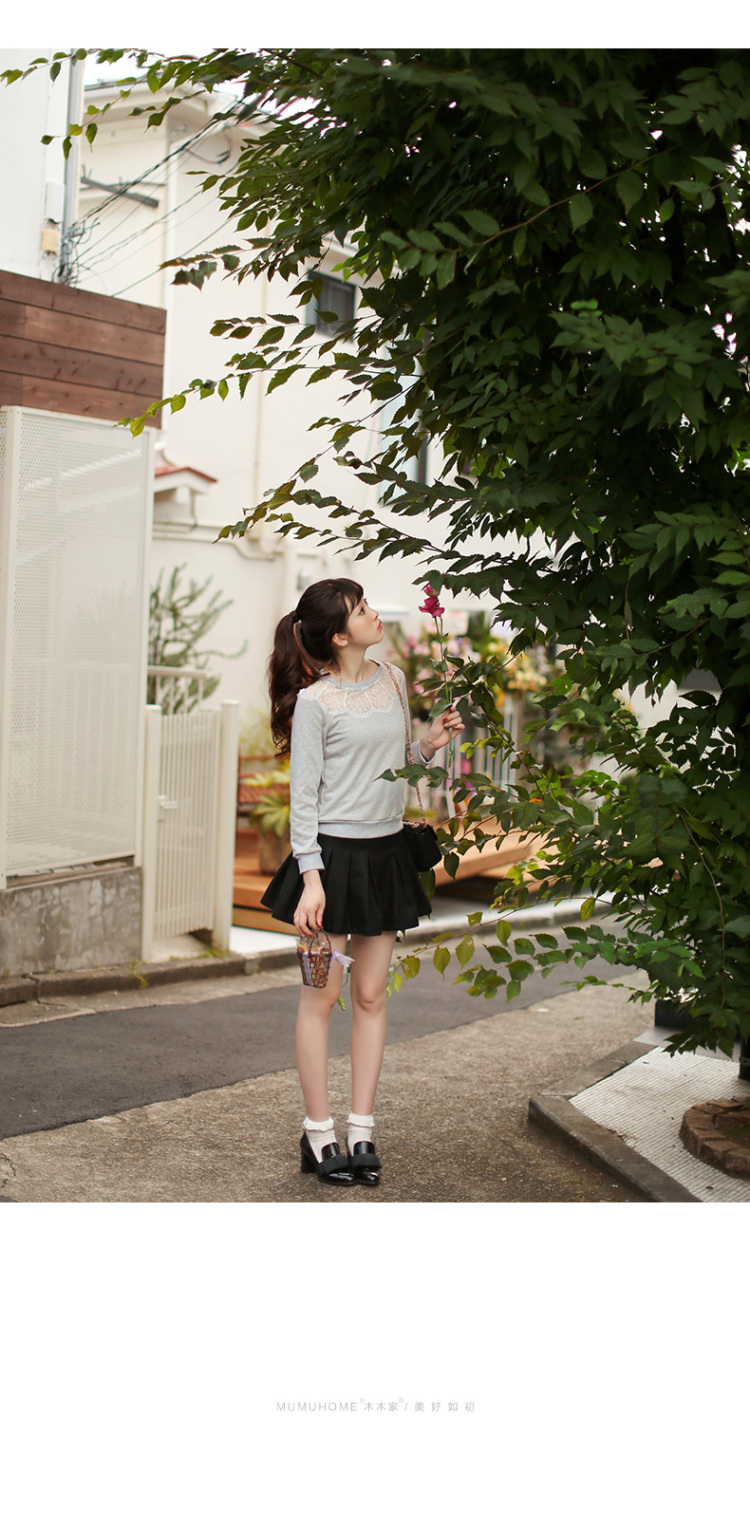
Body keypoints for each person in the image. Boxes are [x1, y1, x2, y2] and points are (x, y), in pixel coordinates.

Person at [261, 577, 464, 1188]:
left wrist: (427, 747)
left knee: (372, 995)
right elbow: (303, 799)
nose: (376, 614)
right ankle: (318, 1134)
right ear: (339, 636)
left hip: (384, 856)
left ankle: (361, 1132)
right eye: (362, 609)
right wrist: (311, 880)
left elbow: (395, 764)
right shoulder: (316, 702)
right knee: (319, 998)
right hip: (329, 863)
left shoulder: (393, 680)